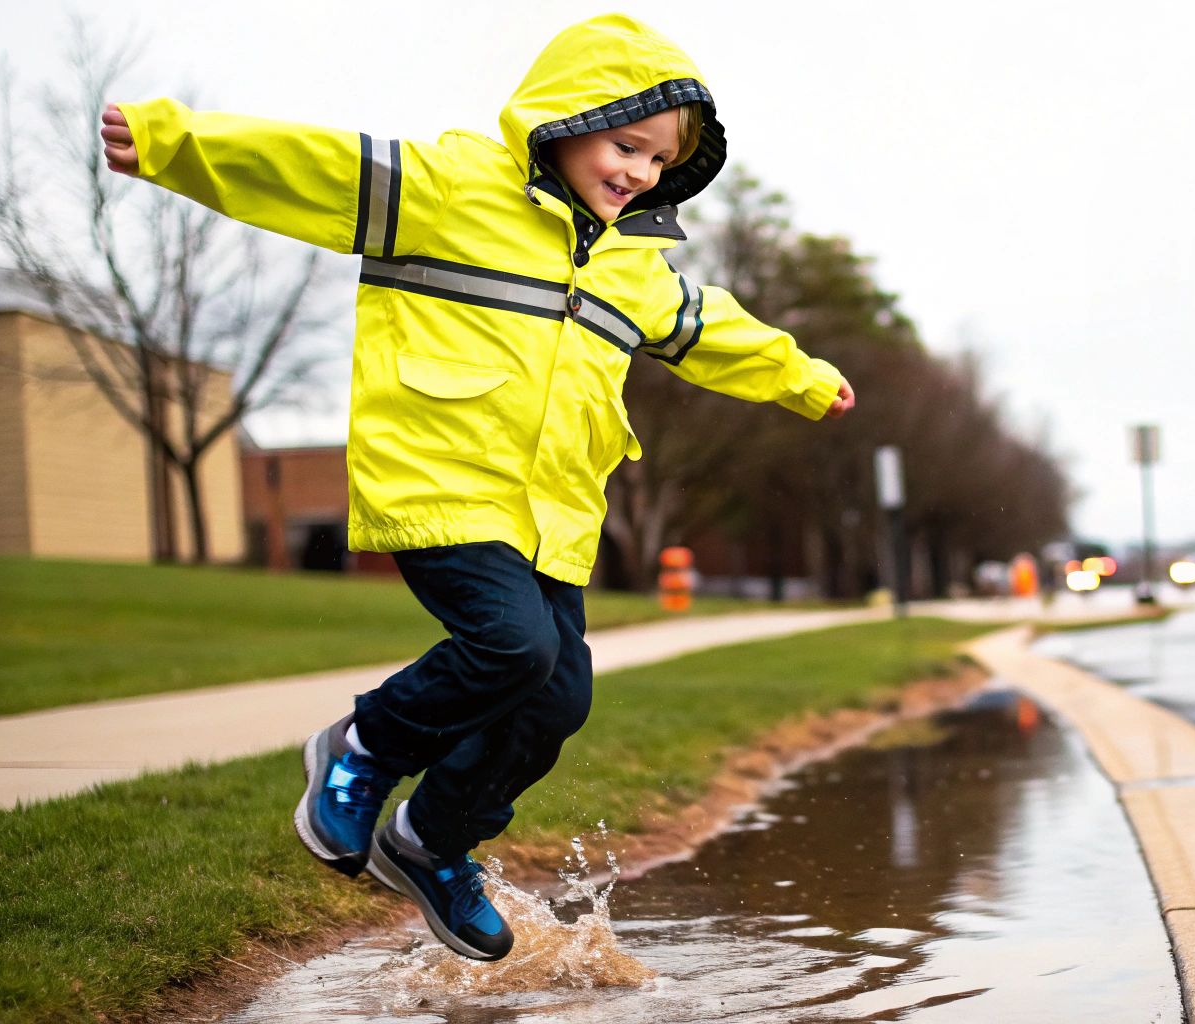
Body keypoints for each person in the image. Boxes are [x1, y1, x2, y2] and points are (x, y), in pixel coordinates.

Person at [101, 13, 853, 962]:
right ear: (569, 120)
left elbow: (714, 330)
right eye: (627, 146)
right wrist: (173, 143)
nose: (641, 173)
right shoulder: (447, 188)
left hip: (553, 518)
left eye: (661, 161)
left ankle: (431, 839)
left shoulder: (634, 266)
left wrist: (802, 377)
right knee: (511, 646)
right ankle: (361, 751)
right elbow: (312, 168)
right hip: (441, 481)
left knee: (557, 698)